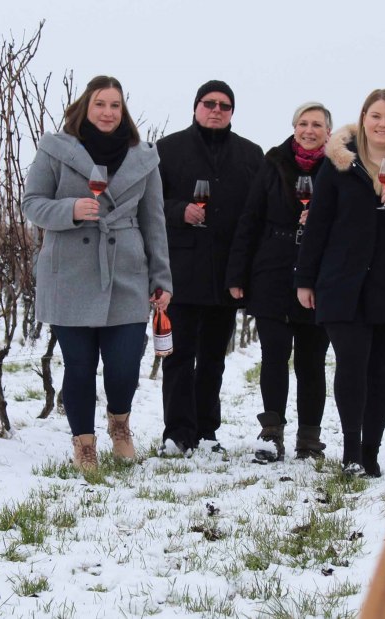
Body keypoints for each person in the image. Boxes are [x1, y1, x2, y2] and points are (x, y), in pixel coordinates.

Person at [22, 75, 172, 471]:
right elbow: (32, 203)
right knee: (79, 366)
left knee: (124, 365)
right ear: (85, 108)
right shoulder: (56, 150)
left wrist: (162, 280)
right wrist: (69, 210)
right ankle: (84, 444)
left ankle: (119, 425)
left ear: (124, 112)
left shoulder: (144, 157)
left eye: (115, 105)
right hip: (69, 272)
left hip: (126, 271)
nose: (108, 112)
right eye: (100, 104)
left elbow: (153, 221)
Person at [293, 89, 385, 477]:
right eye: (375, 116)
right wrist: (305, 280)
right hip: (343, 283)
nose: (382, 124)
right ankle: (351, 453)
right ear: (363, 119)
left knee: (380, 373)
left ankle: (371, 451)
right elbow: (319, 226)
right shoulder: (340, 166)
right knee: (351, 367)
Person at [157, 79, 264, 455]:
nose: (216, 110)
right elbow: (149, 205)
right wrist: (177, 210)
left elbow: (257, 215)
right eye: (209, 103)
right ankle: (176, 432)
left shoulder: (252, 155)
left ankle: (206, 431)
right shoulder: (167, 150)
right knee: (179, 355)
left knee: (214, 358)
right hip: (181, 271)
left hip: (226, 274)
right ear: (195, 107)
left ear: (232, 111)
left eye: (224, 105)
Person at [226, 102, 333, 462]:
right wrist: (237, 274)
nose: (309, 130)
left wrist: (320, 219)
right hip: (271, 270)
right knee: (273, 355)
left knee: (312, 359)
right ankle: (271, 434)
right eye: (303, 123)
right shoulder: (272, 163)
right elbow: (250, 218)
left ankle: (309, 438)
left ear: (328, 132)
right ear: (294, 127)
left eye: (317, 124)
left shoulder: (339, 168)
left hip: (318, 275)